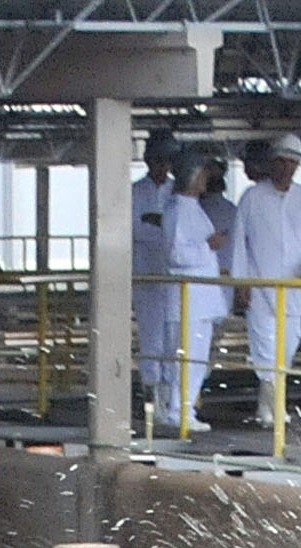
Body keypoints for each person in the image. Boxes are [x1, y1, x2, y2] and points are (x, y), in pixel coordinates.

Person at [235, 138, 301, 439]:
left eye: (291, 163)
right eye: (280, 161)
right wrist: (241, 282)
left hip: (293, 287)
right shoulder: (252, 198)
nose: (285, 168)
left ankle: (266, 405)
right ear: (271, 163)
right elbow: (239, 244)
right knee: (264, 347)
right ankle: (277, 409)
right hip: (259, 285)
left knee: (288, 345)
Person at [162, 158, 230, 437]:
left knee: (193, 357)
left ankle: (180, 408)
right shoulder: (179, 210)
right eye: (202, 174)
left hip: (198, 300)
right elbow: (176, 255)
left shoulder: (190, 209)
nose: (206, 180)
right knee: (189, 357)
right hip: (189, 301)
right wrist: (208, 246)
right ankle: (180, 410)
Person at [130, 139, 180, 421]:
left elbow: (176, 231)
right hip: (146, 274)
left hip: (172, 275)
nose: (162, 167)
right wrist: (162, 227)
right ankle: (153, 398)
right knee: (151, 337)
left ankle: (172, 398)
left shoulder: (177, 192)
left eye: (166, 161)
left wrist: (157, 223)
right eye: (158, 160)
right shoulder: (136, 191)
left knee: (173, 337)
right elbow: (136, 229)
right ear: (148, 161)